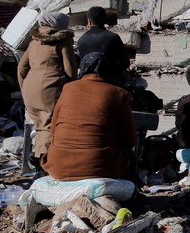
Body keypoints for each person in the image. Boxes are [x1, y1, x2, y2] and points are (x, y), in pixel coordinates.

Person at [41, 53, 139, 185]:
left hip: (58, 166)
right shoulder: (119, 93)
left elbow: (53, 132)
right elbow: (130, 141)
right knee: (129, 158)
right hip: (100, 168)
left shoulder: (68, 88)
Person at [17, 12, 77, 163]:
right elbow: (70, 69)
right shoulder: (63, 40)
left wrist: (25, 88)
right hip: (51, 86)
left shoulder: (33, 42)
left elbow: (21, 69)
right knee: (50, 126)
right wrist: (70, 91)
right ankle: (42, 162)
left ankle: (38, 157)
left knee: (40, 127)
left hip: (30, 88)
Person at [76, 6, 129, 80]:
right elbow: (125, 64)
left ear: (89, 21)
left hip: (87, 80)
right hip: (111, 81)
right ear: (104, 20)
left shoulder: (81, 40)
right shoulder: (113, 37)